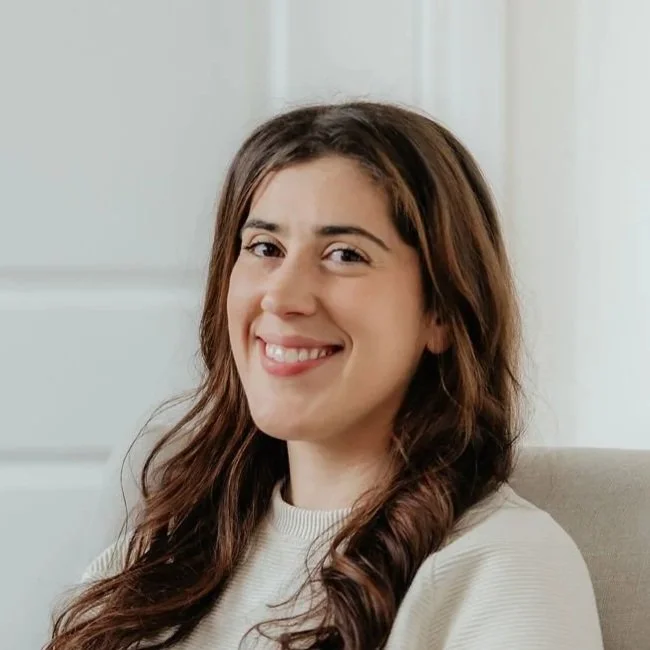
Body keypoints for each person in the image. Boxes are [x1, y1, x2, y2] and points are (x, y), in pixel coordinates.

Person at [46, 101, 604, 650]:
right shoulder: (150, 562)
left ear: (441, 313)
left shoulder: (502, 568)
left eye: (344, 255)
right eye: (264, 247)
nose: (283, 296)